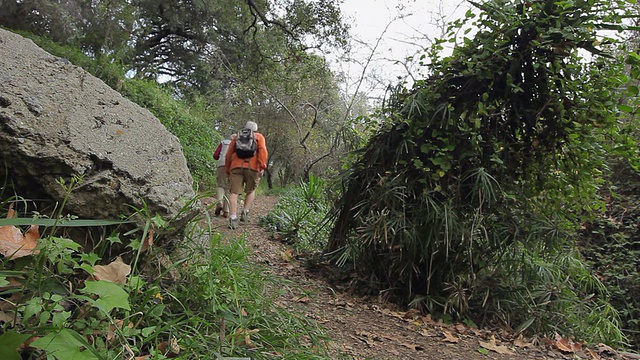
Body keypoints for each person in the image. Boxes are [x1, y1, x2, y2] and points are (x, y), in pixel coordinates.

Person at [225, 121, 268, 229]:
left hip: (236, 166)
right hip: (253, 168)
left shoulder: (236, 137)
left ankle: (233, 218)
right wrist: (262, 166)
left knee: (234, 193)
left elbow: (229, 154)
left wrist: (228, 168)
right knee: (250, 190)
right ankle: (245, 212)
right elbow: (263, 151)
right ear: (256, 129)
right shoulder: (259, 137)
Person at [212, 135, 233, 218]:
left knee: (220, 185)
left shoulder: (223, 143)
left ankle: (219, 202)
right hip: (233, 166)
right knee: (229, 188)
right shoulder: (239, 144)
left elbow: (215, 156)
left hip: (222, 164)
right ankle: (226, 211)